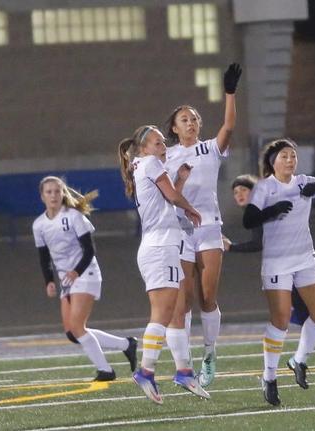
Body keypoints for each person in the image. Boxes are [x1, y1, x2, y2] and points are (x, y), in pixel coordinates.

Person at [242, 139, 315, 406]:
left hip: (305, 259)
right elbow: (248, 220)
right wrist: (272, 210)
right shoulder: (265, 187)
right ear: (272, 162)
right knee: (280, 321)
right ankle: (269, 377)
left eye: (293, 156)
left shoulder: (304, 182)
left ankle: (298, 360)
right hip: (277, 263)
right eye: (284, 156)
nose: (290, 160)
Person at [224, 174, 315, 367]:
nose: (239, 194)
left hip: (292, 268)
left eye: (244, 190)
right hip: (288, 268)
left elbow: (258, 244)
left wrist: (231, 247)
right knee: (299, 314)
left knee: (302, 315)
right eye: (235, 192)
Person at [162, 62, 242, 388]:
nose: (192, 122)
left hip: (209, 227)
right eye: (185, 119)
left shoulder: (209, 148)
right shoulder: (164, 156)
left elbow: (230, 126)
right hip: (179, 231)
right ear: (174, 128)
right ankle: (185, 363)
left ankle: (210, 354)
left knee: (208, 296)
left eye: (195, 118)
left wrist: (230, 92)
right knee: (183, 301)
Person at [117, 125, 209, 404]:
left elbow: (166, 199)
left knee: (171, 313)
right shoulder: (151, 163)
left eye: (162, 143)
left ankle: (183, 371)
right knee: (162, 313)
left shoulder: (143, 165)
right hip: (160, 248)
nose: (163, 147)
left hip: (159, 246)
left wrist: (179, 180)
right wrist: (192, 207)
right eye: (157, 143)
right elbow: (172, 197)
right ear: (144, 148)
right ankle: (146, 371)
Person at [32, 176, 137, 382]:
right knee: (72, 333)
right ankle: (126, 344)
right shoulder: (39, 225)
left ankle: (105, 370)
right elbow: (44, 256)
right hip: (67, 280)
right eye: (49, 192)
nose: (53, 195)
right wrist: (49, 281)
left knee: (78, 327)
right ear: (42, 196)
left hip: (86, 273)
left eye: (57, 191)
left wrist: (76, 271)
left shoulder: (73, 216)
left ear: (63, 194)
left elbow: (89, 249)